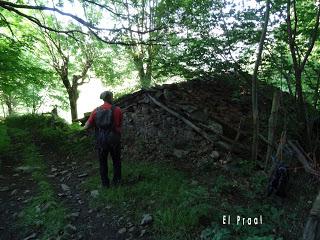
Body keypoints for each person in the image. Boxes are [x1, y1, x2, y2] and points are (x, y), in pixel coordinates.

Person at [84, 91, 123, 188]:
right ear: (111, 98)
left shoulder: (96, 111)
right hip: (114, 139)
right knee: (116, 161)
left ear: (103, 98)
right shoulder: (117, 110)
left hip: (101, 140)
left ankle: (105, 184)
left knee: (102, 162)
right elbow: (119, 125)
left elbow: (87, 126)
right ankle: (117, 182)